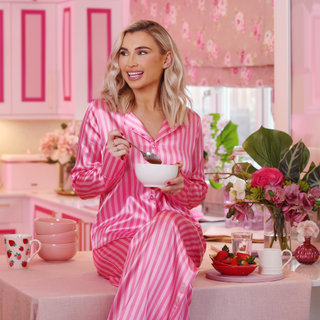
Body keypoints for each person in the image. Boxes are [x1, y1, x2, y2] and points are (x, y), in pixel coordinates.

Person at [70, 20, 208, 320]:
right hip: (118, 237)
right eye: (123, 53)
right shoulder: (101, 113)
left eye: (141, 52)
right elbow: (81, 185)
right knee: (158, 256)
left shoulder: (190, 121)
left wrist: (180, 186)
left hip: (180, 232)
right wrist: (111, 165)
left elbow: (198, 189)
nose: (129, 62)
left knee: (166, 224)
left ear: (166, 58)